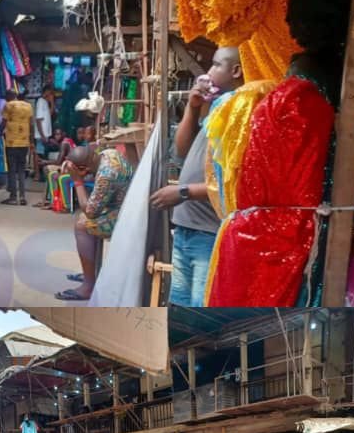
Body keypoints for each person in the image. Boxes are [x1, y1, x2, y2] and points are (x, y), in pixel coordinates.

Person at [150, 47, 244, 309]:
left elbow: (235, 183)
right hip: (185, 228)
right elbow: (181, 152)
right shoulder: (218, 107)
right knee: (179, 306)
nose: (208, 72)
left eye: (216, 65)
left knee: (199, 308)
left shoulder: (242, 112)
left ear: (235, 70)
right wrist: (192, 108)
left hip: (209, 233)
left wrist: (183, 192)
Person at [55, 143, 135, 301]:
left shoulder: (107, 174)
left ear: (83, 168)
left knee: (83, 226)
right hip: (125, 205)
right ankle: (91, 271)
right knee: (87, 221)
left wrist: (77, 181)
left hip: (127, 216)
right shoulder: (108, 153)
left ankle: (88, 286)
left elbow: (91, 211)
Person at [0, 89, 33, 205]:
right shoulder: (28, 106)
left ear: (9, 96)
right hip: (24, 143)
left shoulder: (8, 106)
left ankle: (13, 197)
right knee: (21, 170)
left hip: (12, 143)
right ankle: (23, 197)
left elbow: (3, 123)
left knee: (12, 170)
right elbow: (31, 124)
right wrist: (31, 141)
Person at [33, 87, 55, 177]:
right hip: (41, 134)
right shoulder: (40, 102)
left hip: (46, 134)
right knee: (39, 154)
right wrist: (42, 135)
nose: (50, 95)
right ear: (45, 92)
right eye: (49, 93)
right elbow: (38, 120)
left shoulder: (45, 102)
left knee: (42, 154)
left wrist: (52, 102)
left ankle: (40, 174)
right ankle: (37, 175)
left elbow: (50, 113)